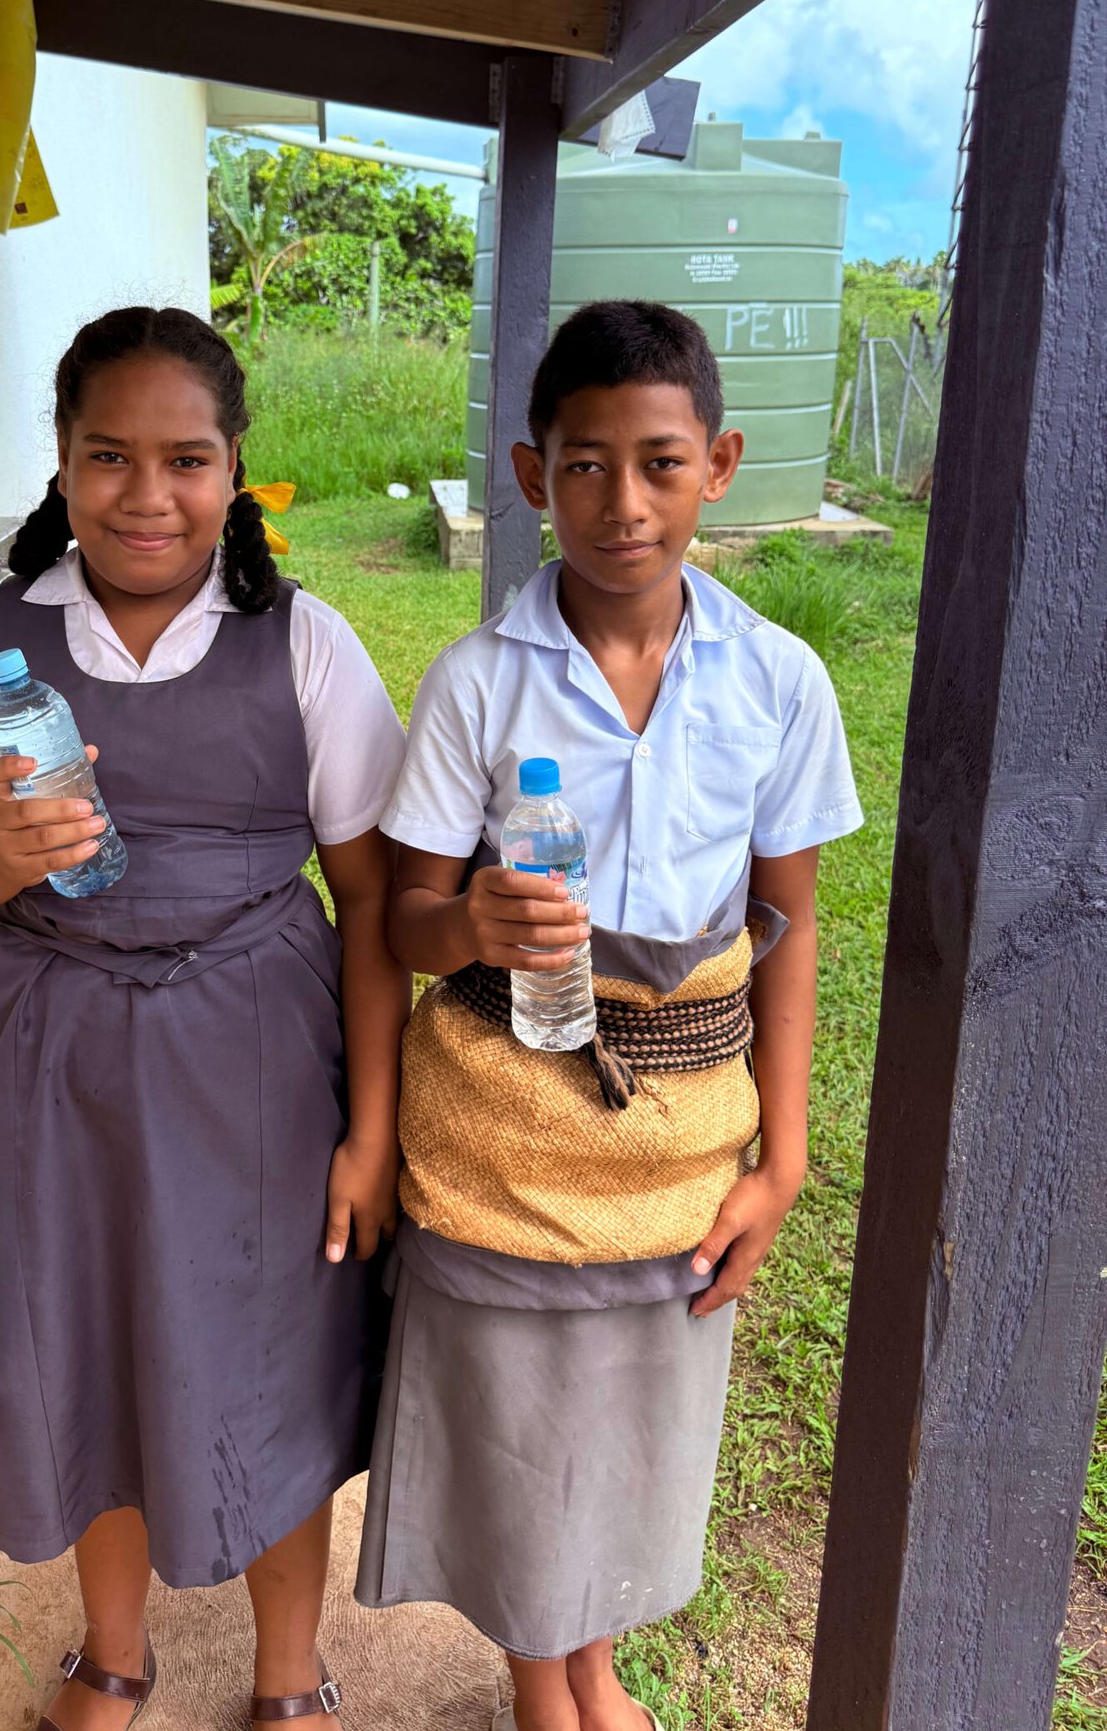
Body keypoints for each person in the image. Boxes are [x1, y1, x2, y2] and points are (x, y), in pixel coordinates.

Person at [0, 307, 409, 1731]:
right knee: (84, 1343)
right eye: (108, 455)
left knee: (275, 1355)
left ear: (236, 469)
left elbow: (373, 897)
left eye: (186, 459)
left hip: (259, 1062)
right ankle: (113, 1651)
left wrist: (372, 1132)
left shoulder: (303, 644)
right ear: (62, 460)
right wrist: (0, 854)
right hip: (56, 1063)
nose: (146, 495)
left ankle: (289, 1669)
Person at [355, 300, 863, 1731]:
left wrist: (783, 1159)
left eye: (659, 463)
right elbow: (401, 921)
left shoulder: (778, 681)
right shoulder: (478, 681)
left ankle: (592, 1665)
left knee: (632, 1416)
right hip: (508, 1135)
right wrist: (472, 924)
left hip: (678, 1141)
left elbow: (787, 930)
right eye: (585, 465)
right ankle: (544, 1688)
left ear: (719, 465)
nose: (622, 503)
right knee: (523, 1418)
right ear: (534, 475)